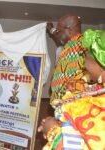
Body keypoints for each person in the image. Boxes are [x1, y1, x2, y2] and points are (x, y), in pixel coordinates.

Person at [38, 15, 88, 149]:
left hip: (74, 109)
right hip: (61, 108)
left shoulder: (84, 45)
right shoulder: (68, 44)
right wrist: (50, 29)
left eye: (59, 30)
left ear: (70, 30)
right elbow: (58, 36)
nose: (57, 33)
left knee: (67, 143)